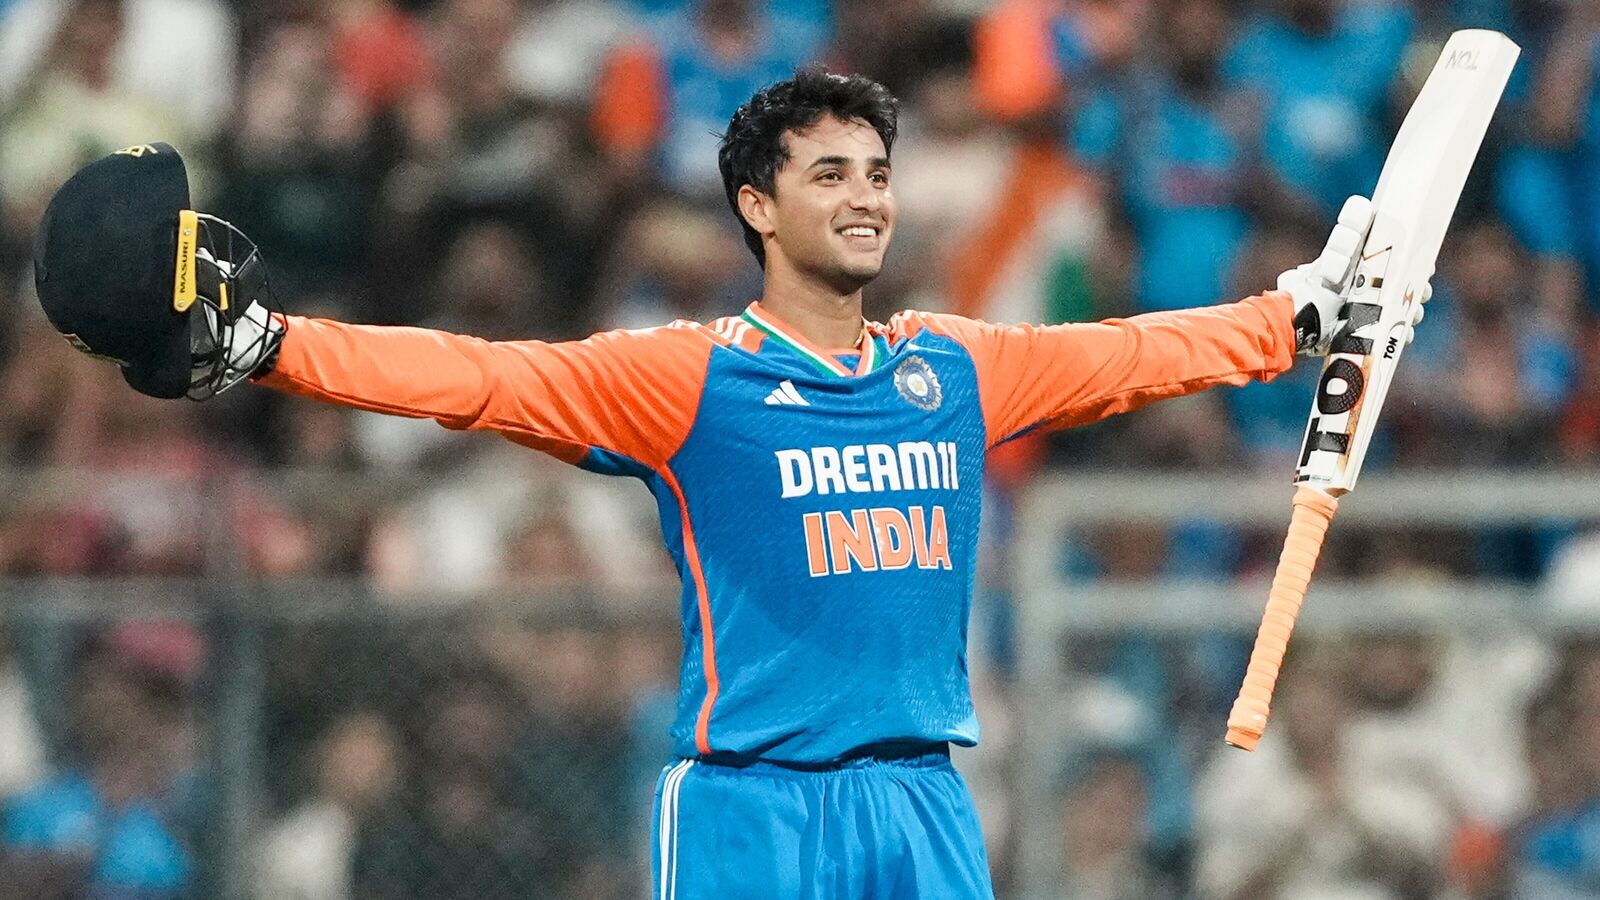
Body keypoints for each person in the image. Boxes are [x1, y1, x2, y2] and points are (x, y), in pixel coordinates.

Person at [34, 70, 1424, 899]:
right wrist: (270, 345)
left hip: (926, 801)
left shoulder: (952, 367)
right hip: (752, 804)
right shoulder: (688, 378)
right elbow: (477, 376)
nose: (871, 197)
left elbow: (1126, 356)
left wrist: (1297, 318)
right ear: (757, 205)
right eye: (832, 174)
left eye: (879, 173)